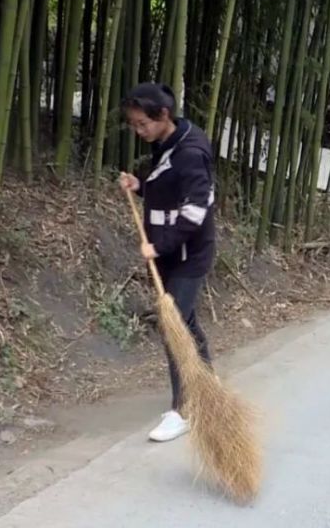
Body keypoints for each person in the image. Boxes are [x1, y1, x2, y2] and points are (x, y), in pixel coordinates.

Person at [117, 83, 216, 442]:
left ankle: (185, 408)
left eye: (142, 124)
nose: (138, 131)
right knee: (185, 320)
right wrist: (139, 184)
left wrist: (160, 247)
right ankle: (205, 379)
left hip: (187, 254)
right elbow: (166, 188)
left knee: (172, 324)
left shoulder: (190, 151)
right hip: (170, 252)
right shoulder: (167, 143)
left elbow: (194, 210)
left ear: (163, 116)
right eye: (134, 124)